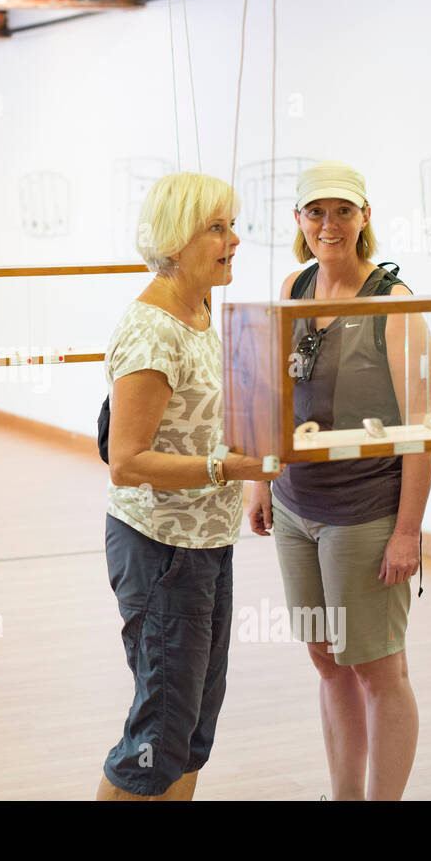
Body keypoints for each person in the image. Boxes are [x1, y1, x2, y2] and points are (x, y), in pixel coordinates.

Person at [245, 161, 431, 800]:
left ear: (365, 217)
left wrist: (407, 532)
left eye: (343, 211)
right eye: (316, 211)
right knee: (327, 662)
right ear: (298, 221)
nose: (330, 224)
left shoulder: (394, 303)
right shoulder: (294, 286)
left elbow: (421, 429)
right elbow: (269, 392)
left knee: (378, 668)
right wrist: (258, 480)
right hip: (297, 512)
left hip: (365, 515)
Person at [97, 172, 277, 801]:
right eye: (217, 227)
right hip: (161, 551)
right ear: (176, 240)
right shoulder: (153, 331)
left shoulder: (200, 311)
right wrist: (226, 469)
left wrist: (253, 472)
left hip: (206, 543)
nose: (234, 240)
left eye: (234, 225)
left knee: (192, 730)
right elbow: (126, 460)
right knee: (159, 737)